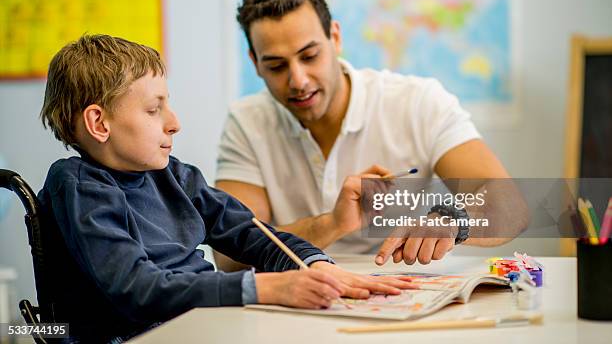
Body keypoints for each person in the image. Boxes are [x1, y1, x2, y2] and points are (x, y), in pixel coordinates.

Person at [37, 34, 411, 343]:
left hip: (197, 326)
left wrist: (316, 266)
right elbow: (138, 291)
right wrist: (267, 288)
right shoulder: (78, 186)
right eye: (154, 110)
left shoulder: (174, 175)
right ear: (98, 123)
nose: (174, 123)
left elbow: (251, 232)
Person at [215, 0, 527, 270]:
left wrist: (453, 219)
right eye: (276, 66)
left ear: (335, 38)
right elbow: (229, 255)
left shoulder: (419, 102)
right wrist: (332, 224)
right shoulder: (247, 122)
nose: (298, 80)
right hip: (294, 298)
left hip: (404, 296)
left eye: (309, 56)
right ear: (255, 63)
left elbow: (511, 206)